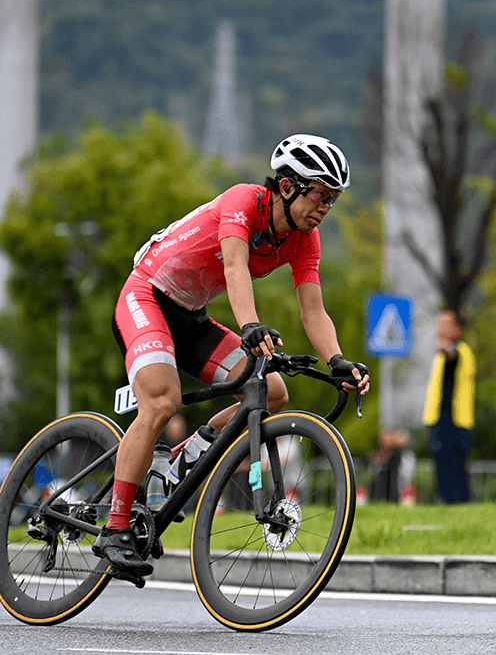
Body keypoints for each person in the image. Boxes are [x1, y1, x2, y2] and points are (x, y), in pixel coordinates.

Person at [95, 134, 371, 582]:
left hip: (191, 317)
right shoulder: (244, 200)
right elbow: (234, 266)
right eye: (320, 194)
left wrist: (337, 359)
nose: (325, 207)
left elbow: (313, 309)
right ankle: (114, 526)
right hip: (146, 296)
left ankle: (182, 459)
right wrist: (250, 326)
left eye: (332, 200)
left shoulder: (306, 241)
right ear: (288, 187)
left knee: (274, 394)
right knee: (162, 403)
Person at [422, 310, 475, 503]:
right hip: (438, 419)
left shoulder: (461, 351)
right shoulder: (439, 357)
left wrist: (445, 347)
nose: (440, 328)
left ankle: (459, 504)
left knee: (455, 469)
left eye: (446, 324)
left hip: (456, 421)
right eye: (439, 324)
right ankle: (450, 504)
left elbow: (453, 354)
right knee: (443, 469)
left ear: (458, 329)